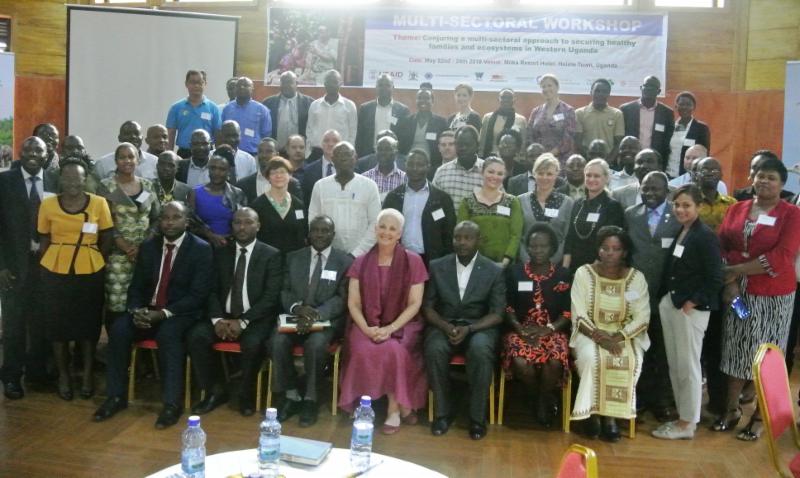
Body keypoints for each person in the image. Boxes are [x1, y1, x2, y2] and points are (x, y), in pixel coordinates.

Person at [93, 202, 214, 429]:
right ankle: (116, 397)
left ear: (186, 222)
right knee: (119, 330)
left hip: (181, 312)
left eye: (175, 217)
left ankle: (171, 404)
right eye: (164, 217)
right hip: (147, 310)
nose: (169, 222)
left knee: (168, 337)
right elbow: (136, 286)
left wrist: (164, 313)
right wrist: (136, 310)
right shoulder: (149, 246)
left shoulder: (200, 248)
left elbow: (198, 295)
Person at [714, 156, 800, 441]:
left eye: (771, 177)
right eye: (760, 175)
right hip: (737, 294)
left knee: (766, 357)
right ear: (752, 178)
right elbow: (723, 244)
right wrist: (732, 281)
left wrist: (736, 268)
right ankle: (731, 410)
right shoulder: (737, 208)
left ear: (782, 185)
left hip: (773, 297)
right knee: (736, 350)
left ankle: (760, 417)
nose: (764, 181)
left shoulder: (791, 214)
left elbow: (782, 255)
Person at [338, 209, 429, 434]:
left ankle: (394, 409)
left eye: (392, 228)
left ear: (400, 234)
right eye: (383, 227)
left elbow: (414, 304)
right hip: (365, 324)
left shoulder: (414, 261)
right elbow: (354, 305)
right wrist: (368, 330)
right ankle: (364, 406)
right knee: (362, 349)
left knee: (393, 350)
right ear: (375, 229)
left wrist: (390, 328)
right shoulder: (360, 262)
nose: (386, 232)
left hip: (403, 325)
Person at [187, 208, 283, 417]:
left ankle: (245, 394)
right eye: (237, 222)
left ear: (258, 226)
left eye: (248, 222)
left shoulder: (271, 255)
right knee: (197, 337)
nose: (242, 227)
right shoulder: (220, 252)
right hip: (222, 315)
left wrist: (244, 322)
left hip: (255, 318)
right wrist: (217, 319)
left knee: (253, 344)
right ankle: (215, 390)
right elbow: (210, 289)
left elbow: (271, 297)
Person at [652, 184, 723, 440]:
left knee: (689, 367)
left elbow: (716, 277)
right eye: (677, 205)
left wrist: (692, 302)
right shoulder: (683, 231)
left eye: (687, 205)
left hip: (690, 310)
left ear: (699, 207)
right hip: (672, 304)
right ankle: (682, 416)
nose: (681, 209)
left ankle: (687, 423)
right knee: (676, 365)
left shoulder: (705, 235)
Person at [38, 159, 113, 401]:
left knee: (88, 325)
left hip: (90, 270)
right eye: (67, 178)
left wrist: (93, 258)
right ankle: (64, 376)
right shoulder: (48, 205)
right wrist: (45, 269)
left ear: (85, 179)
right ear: (61, 180)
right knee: (57, 326)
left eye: (77, 177)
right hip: (55, 270)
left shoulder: (99, 203)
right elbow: (43, 240)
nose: (72, 182)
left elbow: (107, 237)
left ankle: (88, 374)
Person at [424, 221, 506, 440]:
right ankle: (443, 414)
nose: (461, 242)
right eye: (457, 237)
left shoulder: (493, 270)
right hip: (445, 325)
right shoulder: (437, 265)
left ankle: (477, 418)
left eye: (467, 238)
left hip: (478, 327)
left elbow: (497, 313)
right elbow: (428, 307)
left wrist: (469, 329)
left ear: (479, 240)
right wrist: (446, 326)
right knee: (434, 349)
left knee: (480, 350)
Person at [570, 226, 650, 442]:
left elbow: (641, 316)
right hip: (590, 331)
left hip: (623, 335)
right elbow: (578, 313)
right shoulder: (584, 273)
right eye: (605, 248)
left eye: (615, 249)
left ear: (624, 252)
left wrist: (617, 337)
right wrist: (600, 337)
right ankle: (593, 415)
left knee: (628, 359)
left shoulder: (635, 278)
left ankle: (611, 417)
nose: (609, 253)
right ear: (598, 250)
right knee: (591, 359)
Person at [273, 215, 354, 426]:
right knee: (277, 342)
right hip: (296, 316)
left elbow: (342, 298)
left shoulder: (345, 261)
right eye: (315, 230)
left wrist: (316, 315)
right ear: (309, 234)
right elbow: (284, 290)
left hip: (326, 321)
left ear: (333, 235)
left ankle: (311, 399)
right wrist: (298, 309)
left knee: (316, 345)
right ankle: (291, 394)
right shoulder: (293, 257)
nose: (319, 234)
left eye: (325, 230)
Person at [0, 137, 58, 398]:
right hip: (13, 267)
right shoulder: (4, 182)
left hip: (47, 267)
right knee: (13, 326)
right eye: (28, 149)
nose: (33, 153)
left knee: (42, 323)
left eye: (39, 150)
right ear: (19, 153)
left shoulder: (56, 181)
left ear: (47, 155)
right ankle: (12, 377)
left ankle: (37, 374)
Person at [624, 171, 681, 422]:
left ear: (666, 190)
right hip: (636, 295)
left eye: (655, 189)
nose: (649, 193)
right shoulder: (630, 215)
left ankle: (663, 401)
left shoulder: (678, 215)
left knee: (663, 350)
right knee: (637, 349)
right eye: (645, 188)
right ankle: (639, 398)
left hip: (666, 294)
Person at [503, 224, 572, 428]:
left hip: (553, 329)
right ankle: (536, 397)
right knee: (521, 361)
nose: (538, 250)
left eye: (543, 246)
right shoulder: (515, 273)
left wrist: (548, 329)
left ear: (552, 248)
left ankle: (542, 399)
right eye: (533, 246)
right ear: (527, 247)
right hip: (520, 329)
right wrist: (519, 328)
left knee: (555, 360)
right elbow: (507, 307)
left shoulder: (563, 275)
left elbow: (568, 312)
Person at [99, 143, 160, 317]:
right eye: (122, 157)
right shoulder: (106, 186)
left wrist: (143, 246)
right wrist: (126, 247)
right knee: (116, 305)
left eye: (131, 157)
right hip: (117, 255)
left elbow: (156, 218)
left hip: (145, 254)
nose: (127, 160)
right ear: (116, 161)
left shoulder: (148, 186)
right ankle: (116, 342)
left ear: (138, 159)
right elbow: (106, 221)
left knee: (143, 301)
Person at [308, 142, 381, 257]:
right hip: (328, 255)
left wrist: (357, 253)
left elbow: (376, 223)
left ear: (355, 158)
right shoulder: (320, 186)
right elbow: (313, 219)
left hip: (361, 256)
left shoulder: (369, 186)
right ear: (332, 159)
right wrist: (326, 251)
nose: (343, 157)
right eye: (338, 154)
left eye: (347, 154)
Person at [383, 149, 456, 265]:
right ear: (405, 166)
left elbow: (449, 234)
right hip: (399, 259)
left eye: (420, 165)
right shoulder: (393, 197)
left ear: (428, 167)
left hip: (432, 261)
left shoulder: (442, 199)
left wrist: (444, 262)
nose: (415, 168)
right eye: (411, 164)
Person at [457, 157, 523, 267]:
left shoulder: (512, 202)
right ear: (482, 172)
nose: (495, 177)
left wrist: (505, 262)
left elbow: (516, 235)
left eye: (500, 173)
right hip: (473, 265)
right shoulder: (467, 202)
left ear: (505, 176)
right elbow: (462, 236)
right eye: (491, 172)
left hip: (504, 266)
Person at [563, 159, 625, 274]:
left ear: (606, 178)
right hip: (574, 266)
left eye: (596, 176)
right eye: (588, 175)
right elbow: (570, 237)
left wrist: (591, 271)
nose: (591, 179)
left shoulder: (613, 207)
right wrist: (564, 269)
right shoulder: (577, 203)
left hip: (599, 268)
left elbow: (612, 242)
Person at [518, 154, 574, 264]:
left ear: (556, 174)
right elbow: (518, 236)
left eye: (549, 174)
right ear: (534, 174)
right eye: (540, 173)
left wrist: (555, 263)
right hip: (525, 264)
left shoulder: (568, 202)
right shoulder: (520, 200)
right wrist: (527, 261)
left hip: (556, 265)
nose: (544, 177)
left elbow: (567, 238)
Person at [187, 147, 247, 248]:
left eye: (222, 169)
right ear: (208, 169)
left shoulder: (237, 194)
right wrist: (211, 236)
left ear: (228, 172)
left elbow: (243, 223)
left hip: (230, 246)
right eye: (213, 168)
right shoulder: (195, 192)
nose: (217, 173)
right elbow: (190, 223)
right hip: (201, 246)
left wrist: (227, 239)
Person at [251, 157, 308, 253]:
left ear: (290, 175)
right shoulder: (257, 205)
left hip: (293, 261)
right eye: (273, 173)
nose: (278, 176)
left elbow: (303, 235)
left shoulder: (299, 205)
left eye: (282, 172)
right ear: (268, 177)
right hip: (267, 261)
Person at [620, 76, 674, 171]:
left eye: (653, 86)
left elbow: (667, 141)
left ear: (658, 91)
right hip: (631, 160)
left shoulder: (667, 113)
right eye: (646, 86)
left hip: (653, 162)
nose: (649, 88)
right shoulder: (626, 109)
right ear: (641, 88)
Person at [166, 70, 222, 158]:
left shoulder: (213, 108)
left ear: (205, 84)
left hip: (207, 153)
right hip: (184, 153)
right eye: (193, 82)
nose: (196, 86)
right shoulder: (176, 108)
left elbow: (218, 134)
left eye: (200, 83)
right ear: (186, 84)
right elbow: (171, 133)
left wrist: (218, 155)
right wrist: (169, 155)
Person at [305, 70, 357, 160]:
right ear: (324, 83)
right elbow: (309, 130)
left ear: (341, 83)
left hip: (341, 153)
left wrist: (349, 153)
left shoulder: (349, 105)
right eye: (329, 81)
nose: (331, 85)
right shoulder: (314, 105)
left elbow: (352, 132)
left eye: (335, 82)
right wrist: (308, 152)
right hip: (317, 153)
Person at [527, 74, 577, 165]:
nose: (546, 89)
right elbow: (529, 135)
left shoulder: (568, 110)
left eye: (549, 85)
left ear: (557, 87)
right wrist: (536, 153)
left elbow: (568, 138)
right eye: (543, 87)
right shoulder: (536, 111)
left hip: (560, 162)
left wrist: (549, 155)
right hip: (538, 161)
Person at [355, 74, 410, 157]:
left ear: (393, 87)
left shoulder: (403, 110)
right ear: (376, 87)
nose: (384, 88)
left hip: (393, 155)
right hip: (369, 154)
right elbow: (360, 135)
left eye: (387, 85)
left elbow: (404, 138)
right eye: (380, 85)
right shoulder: (365, 109)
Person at [397, 89, 448, 175]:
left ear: (432, 101)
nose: (423, 101)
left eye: (427, 98)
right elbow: (400, 146)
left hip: (432, 167)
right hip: (408, 165)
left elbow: (444, 145)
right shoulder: (406, 121)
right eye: (420, 98)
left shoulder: (441, 122)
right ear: (416, 101)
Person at [432, 125, 484, 209]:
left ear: (477, 145)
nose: (463, 148)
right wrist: (442, 220)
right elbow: (433, 206)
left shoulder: (489, 172)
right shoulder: (442, 172)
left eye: (468, 144)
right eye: (459, 144)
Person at [575, 79, 625, 164]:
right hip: (587, 161)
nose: (600, 94)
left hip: (610, 162)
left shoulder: (617, 114)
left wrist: (608, 161)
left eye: (604, 91)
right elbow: (578, 141)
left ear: (609, 94)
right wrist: (591, 160)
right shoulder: (580, 113)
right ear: (591, 92)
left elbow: (618, 143)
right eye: (597, 91)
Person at [236, 142, 302, 204]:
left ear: (277, 155)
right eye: (260, 151)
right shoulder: (243, 185)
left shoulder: (292, 184)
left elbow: (298, 210)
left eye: (269, 151)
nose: (264, 155)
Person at [222, 77, 272, 156]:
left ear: (252, 88)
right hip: (230, 153)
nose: (242, 87)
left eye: (245, 85)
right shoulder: (227, 109)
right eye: (239, 85)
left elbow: (266, 136)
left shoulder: (262, 110)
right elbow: (222, 133)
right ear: (235, 89)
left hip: (253, 154)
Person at [262, 71, 313, 147]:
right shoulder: (268, 103)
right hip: (276, 151)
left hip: (299, 152)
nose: (286, 85)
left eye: (289, 82)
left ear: (297, 84)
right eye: (283, 82)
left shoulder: (309, 103)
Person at [670, 91, 711, 177]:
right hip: (668, 174)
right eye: (681, 104)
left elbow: (704, 155)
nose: (685, 107)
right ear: (676, 106)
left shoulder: (701, 128)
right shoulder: (670, 126)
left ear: (694, 107)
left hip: (688, 176)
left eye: (688, 104)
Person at [479, 89, 527, 158]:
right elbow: (482, 142)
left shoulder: (521, 120)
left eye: (509, 97)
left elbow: (522, 145)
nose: (506, 100)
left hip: (512, 160)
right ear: (498, 99)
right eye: (503, 97)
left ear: (514, 100)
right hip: (491, 158)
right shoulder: (488, 118)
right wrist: (481, 158)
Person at [301, 129, 341, 206]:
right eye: (326, 141)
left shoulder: (348, 170)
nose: (330, 144)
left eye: (335, 141)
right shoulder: (308, 171)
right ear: (321, 144)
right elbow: (306, 201)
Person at [362, 136, 406, 200]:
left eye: (387, 149)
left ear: (395, 153)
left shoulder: (405, 179)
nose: (383, 153)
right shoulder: (365, 178)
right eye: (379, 149)